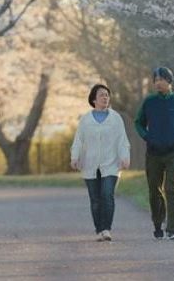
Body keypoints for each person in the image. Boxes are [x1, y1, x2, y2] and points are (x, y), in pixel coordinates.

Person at [134, 66, 174, 240]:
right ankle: (158, 223)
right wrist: (147, 137)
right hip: (153, 152)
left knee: (171, 188)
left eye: (161, 79)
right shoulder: (149, 102)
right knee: (154, 189)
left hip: (173, 151)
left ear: (169, 81)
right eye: (155, 80)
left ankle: (173, 228)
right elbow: (139, 123)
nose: (157, 82)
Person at [71, 83, 131, 242]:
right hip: (90, 164)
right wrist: (74, 157)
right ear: (94, 99)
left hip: (111, 163)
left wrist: (125, 156)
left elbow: (122, 140)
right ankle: (98, 229)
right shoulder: (85, 120)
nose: (105, 97)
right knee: (95, 199)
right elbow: (78, 140)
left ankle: (106, 229)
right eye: (101, 95)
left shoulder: (115, 118)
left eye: (107, 95)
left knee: (107, 194)